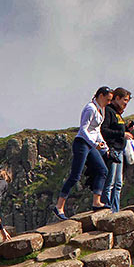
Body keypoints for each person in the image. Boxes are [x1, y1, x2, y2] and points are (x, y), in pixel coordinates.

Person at [52, 87, 113, 220]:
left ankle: (96, 202)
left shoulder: (101, 110)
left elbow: (96, 130)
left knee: (103, 170)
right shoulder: (90, 108)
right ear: (101, 96)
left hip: (91, 145)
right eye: (108, 99)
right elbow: (83, 129)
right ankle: (59, 206)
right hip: (82, 143)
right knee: (75, 176)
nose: (109, 102)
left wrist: (104, 146)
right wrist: (94, 144)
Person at [101, 87, 134, 213]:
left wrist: (126, 129)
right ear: (117, 98)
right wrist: (122, 134)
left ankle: (115, 209)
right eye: (124, 100)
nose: (126, 104)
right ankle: (107, 209)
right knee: (110, 182)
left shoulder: (117, 113)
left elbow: (116, 129)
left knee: (118, 183)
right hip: (113, 149)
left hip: (119, 150)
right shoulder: (109, 111)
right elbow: (105, 130)